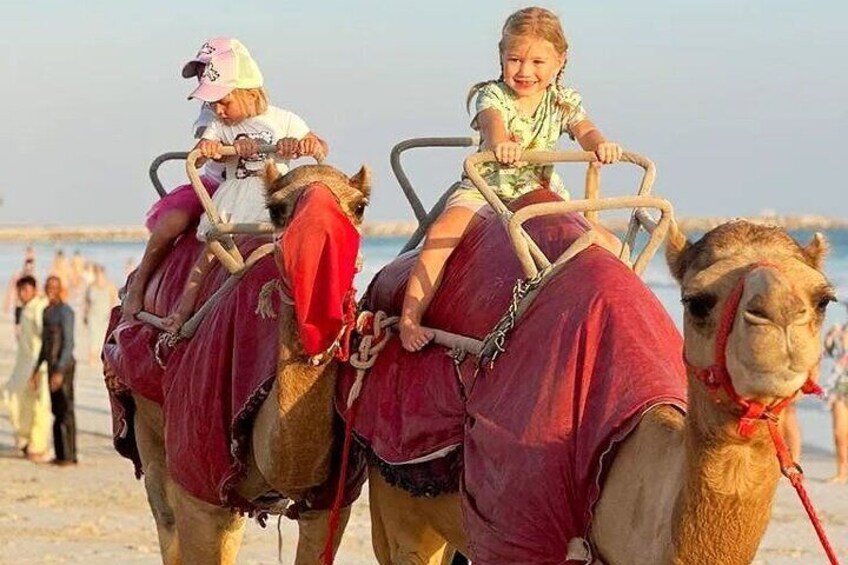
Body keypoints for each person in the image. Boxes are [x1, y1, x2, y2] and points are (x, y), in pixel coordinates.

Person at [399, 6, 623, 351]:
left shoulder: (563, 101)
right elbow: (492, 124)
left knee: (608, 242)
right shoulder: (493, 95)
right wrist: (500, 143)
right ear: (501, 56)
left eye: (537, 62)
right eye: (515, 60)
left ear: (560, 60)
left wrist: (600, 145)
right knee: (442, 233)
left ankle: (616, 321)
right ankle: (410, 319)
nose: (525, 71)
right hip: (487, 188)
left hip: (537, 190)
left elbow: (585, 129)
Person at [162, 42, 328, 332]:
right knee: (209, 255)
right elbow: (201, 153)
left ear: (251, 94)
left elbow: (319, 146)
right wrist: (214, 149)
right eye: (214, 104)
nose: (218, 110)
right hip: (236, 198)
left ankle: (310, 306)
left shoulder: (283, 120)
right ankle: (182, 311)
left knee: (288, 245)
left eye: (224, 102)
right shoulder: (221, 126)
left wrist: (304, 144)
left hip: (271, 198)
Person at [122, 37, 245, 319]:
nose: (202, 78)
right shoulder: (211, 110)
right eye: (200, 72)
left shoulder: (265, 115)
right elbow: (206, 139)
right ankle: (139, 284)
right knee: (173, 221)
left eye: (207, 70)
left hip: (250, 187)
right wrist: (211, 148)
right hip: (216, 186)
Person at [1, 276, 50, 461]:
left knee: (39, 406)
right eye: (20, 291)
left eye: (27, 290)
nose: (23, 294)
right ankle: (24, 440)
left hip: (38, 366)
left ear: (34, 290)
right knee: (15, 400)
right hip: (22, 365)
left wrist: (38, 368)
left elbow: (45, 337)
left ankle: (37, 447)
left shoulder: (39, 308)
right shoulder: (25, 308)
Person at [31, 276, 77, 466]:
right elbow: (44, 345)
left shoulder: (66, 312)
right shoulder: (46, 312)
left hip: (64, 367)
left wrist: (59, 371)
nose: (51, 290)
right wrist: (36, 369)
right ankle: (60, 455)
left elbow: (68, 344)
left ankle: (70, 456)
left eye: (55, 287)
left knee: (66, 410)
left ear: (60, 289)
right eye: (48, 286)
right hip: (51, 366)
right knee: (56, 411)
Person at [824, 319, 848, 483]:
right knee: (839, 432)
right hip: (840, 386)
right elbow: (828, 352)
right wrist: (831, 336)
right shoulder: (838, 331)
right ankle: (841, 471)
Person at [83, 264, 119, 364]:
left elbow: (114, 300)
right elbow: (86, 302)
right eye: (97, 273)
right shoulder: (90, 286)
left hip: (105, 315)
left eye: (100, 273)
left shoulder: (110, 285)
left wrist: (112, 314)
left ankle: (103, 357)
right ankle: (92, 358)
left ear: (103, 273)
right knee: (93, 337)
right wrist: (85, 314)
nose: (99, 275)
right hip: (93, 315)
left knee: (104, 336)